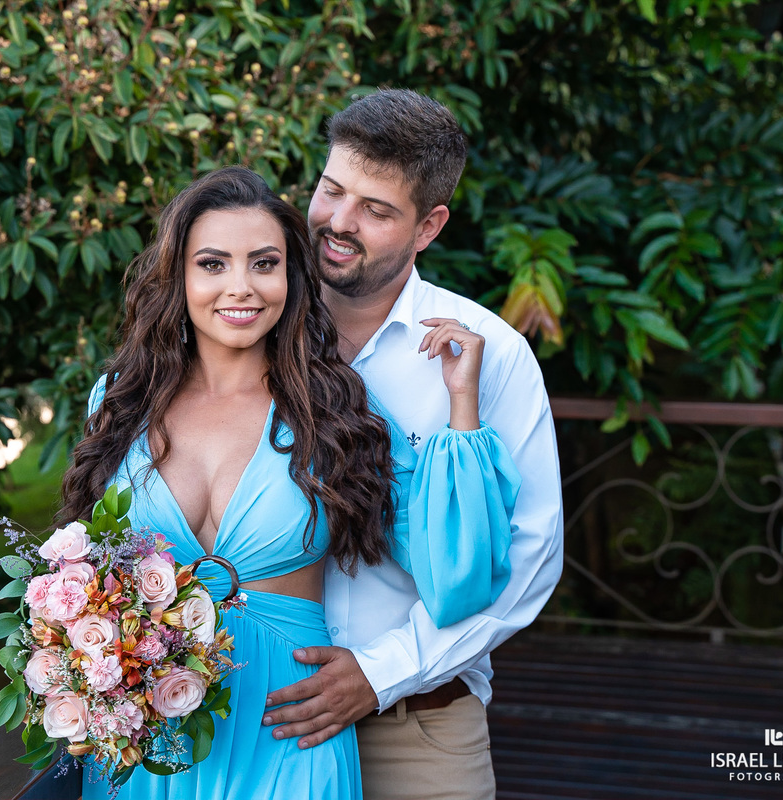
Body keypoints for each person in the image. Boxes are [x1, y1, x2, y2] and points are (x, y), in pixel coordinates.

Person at [58, 166, 521, 800]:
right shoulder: (118, 401)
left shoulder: (335, 410)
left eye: (264, 263)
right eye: (213, 264)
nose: (241, 287)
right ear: (180, 277)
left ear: (290, 278)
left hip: (288, 731)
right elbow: (86, 569)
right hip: (150, 743)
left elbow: (455, 577)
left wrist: (461, 404)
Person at [261, 90, 565, 800]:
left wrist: (381, 672)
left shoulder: (494, 357)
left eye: (376, 209)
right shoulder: (247, 329)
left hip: (420, 730)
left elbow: (530, 553)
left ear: (429, 225)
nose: (338, 222)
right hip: (262, 721)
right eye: (332, 190)